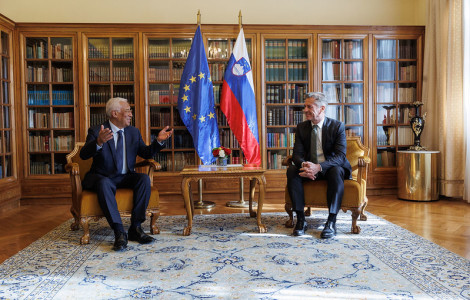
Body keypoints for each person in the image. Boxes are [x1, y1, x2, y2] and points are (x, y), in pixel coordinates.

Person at [80, 97, 173, 251]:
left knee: (143, 179)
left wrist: (158, 141)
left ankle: (135, 229)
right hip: (103, 177)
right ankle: (119, 232)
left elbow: (145, 152)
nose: (131, 114)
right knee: (104, 183)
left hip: (124, 176)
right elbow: (83, 155)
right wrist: (98, 142)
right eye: (128, 111)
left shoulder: (133, 132)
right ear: (115, 113)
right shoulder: (97, 131)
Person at [286, 92, 351, 238]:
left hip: (328, 168)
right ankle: (301, 219)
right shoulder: (302, 127)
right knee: (291, 170)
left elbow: (340, 156)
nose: (305, 110)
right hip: (309, 168)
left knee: (336, 171)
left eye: (309, 106)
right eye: (305, 106)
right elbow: (297, 154)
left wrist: (319, 167)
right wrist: (305, 165)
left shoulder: (337, 126)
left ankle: (331, 221)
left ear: (322, 108)